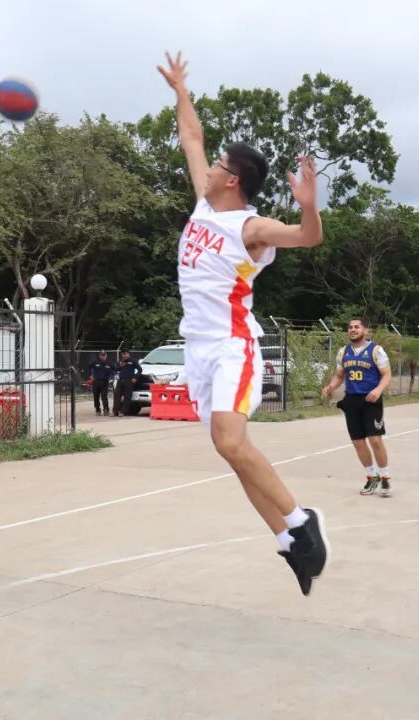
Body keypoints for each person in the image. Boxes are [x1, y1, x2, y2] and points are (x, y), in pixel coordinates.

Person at [158, 51, 328, 596]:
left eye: (216, 166)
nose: (207, 168)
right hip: (198, 348)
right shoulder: (204, 208)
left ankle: (302, 522)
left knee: (231, 442)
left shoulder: (250, 227)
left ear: (231, 180)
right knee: (230, 451)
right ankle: (288, 543)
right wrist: (181, 91)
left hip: (233, 344)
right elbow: (191, 137)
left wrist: (308, 206)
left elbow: (308, 238)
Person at [321, 317, 394, 497]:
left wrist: (378, 390)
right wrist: (331, 386)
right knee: (358, 442)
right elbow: (340, 375)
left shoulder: (376, 350)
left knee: (375, 440)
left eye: (357, 327)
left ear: (366, 330)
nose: (353, 329)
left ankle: (385, 478)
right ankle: (372, 476)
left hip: (371, 399)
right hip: (351, 399)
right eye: (350, 327)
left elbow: (386, 374)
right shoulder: (343, 352)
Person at [113, 350, 143, 416]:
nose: (124, 355)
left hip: (129, 381)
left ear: (128, 354)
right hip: (120, 380)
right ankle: (115, 411)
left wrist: (135, 378)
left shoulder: (133, 361)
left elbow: (140, 370)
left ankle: (123, 412)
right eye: (122, 354)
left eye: (125, 354)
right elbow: (115, 369)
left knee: (127, 397)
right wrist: (120, 366)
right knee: (117, 395)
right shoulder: (121, 361)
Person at [87, 351, 115, 416]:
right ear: (99, 356)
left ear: (106, 355)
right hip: (96, 382)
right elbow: (89, 367)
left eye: (104, 355)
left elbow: (115, 369)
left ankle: (106, 410)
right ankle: (97, 410)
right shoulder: (95, 362)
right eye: (102, 355)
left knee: (104, 396)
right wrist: (90, 375)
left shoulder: (109, 363)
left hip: (105, 382)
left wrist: (112, 376)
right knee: (96, 396)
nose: (103, 356)